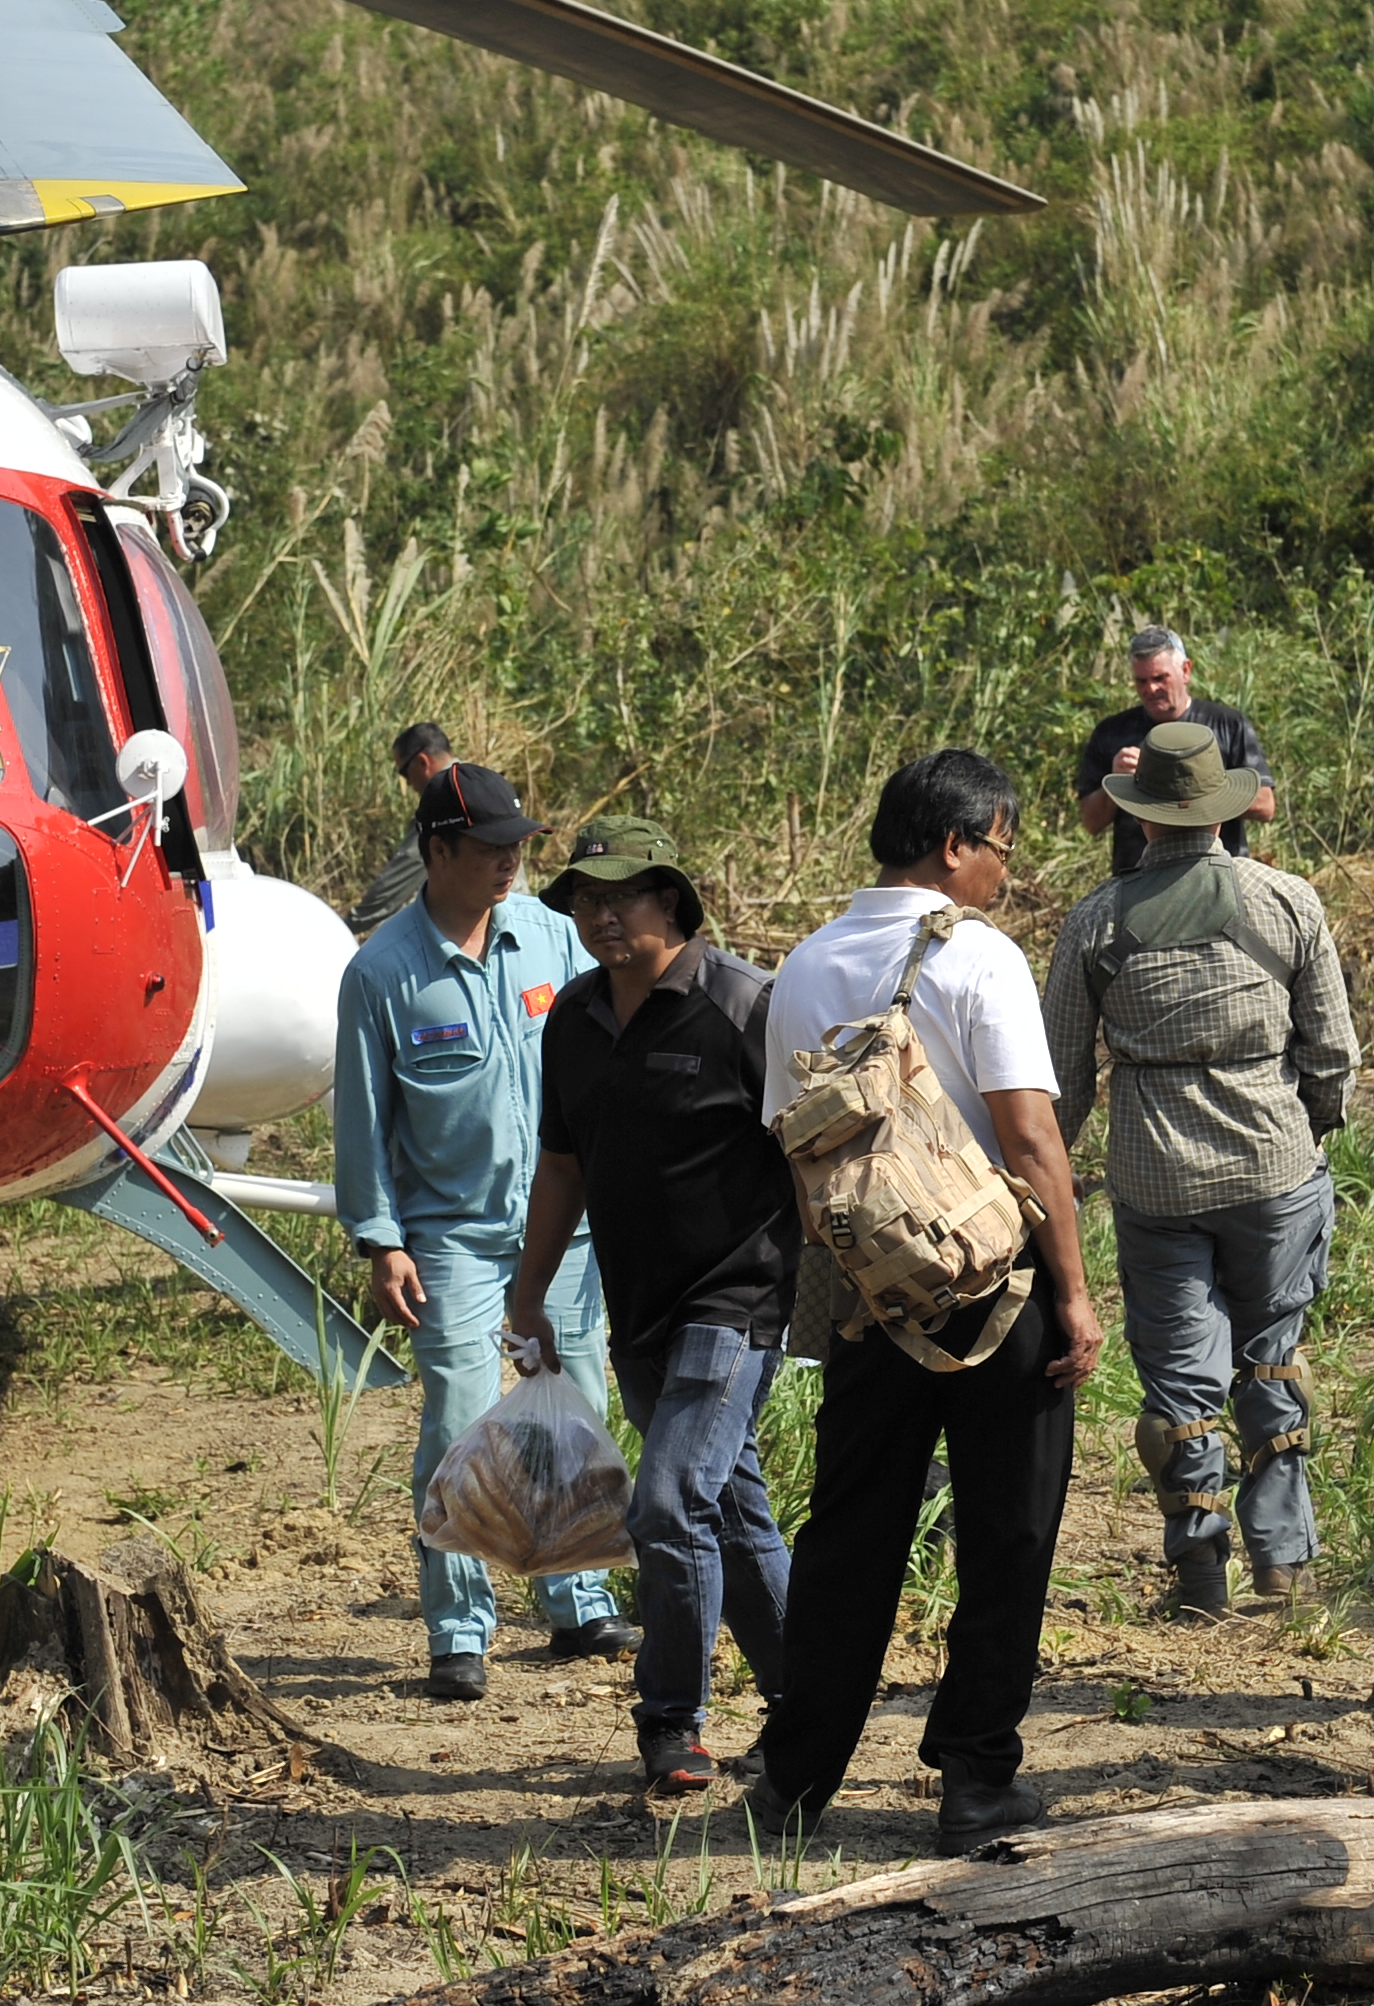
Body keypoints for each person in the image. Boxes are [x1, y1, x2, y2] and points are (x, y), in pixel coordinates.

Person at [754, 750, 1103, 1853]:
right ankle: (973, 1778)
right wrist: (1076, 1295)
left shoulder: (803, 966)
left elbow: (794, 1153)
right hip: (997, 1293)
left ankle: (794, 1779)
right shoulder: (978, 956)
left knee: (848, 1536)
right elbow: (1030, 1137)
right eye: (1001, 847)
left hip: (869, 1299)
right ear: (954, 844)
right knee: (1006, 1535)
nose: (1005, 871)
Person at [508, 814, 797, 1804]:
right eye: (583, 899)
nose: (599, 915)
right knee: (731, 1513)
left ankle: (669, 1719)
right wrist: (527, 1290)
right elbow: (562, 1163)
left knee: (669, 1504)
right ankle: (809, 1703)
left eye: (619, 895)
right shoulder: (575, 1017)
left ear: (670, 899)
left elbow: (813, 1154)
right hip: (639, 1311)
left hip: (737, 1298)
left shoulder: (746, 1007)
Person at [1042, 721, 1358, 1619]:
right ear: (1219, 810)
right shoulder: (1289, 900)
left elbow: (1061, 1080)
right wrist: (1313, 1127)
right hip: (1274, 1164)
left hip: (1155, 1176)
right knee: (1272, 1358)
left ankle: (1199, 1573)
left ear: (1142, 821)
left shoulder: (1096, 921)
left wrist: (1047, 1175)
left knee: (1179, 1381)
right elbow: (1332, 1052)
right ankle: (1282, 1564)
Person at [334, 760, 635, 1700]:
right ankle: (459, 1627)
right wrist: (380, 1239)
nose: (511, 863)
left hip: (568, 1234)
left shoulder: (556, 941)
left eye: (519, 848)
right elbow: (363, 1119)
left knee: (572, 1418)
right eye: (491, 848)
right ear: (438, 849)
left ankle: (578, 1601)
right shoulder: (382, 973)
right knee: (461, 1426)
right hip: (451, 1239)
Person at [1074, 629, 1274, 879]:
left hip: (1218, 879)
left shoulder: (1227, 725)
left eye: (1160, 677)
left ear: (1186, 671)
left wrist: (1199, 783)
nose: (1151, 688)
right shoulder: (1113, 733)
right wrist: (1116, 784)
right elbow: (1091, 823)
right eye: (1141, 681)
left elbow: (1265, 805)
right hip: (1139, 882)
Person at [350, 723, 457, 930]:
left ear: (422, 761)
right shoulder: (486, 782)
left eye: (404, 773)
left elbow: (398, 880)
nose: (407, 783)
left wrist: (347, 925)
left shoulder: (441, 801)